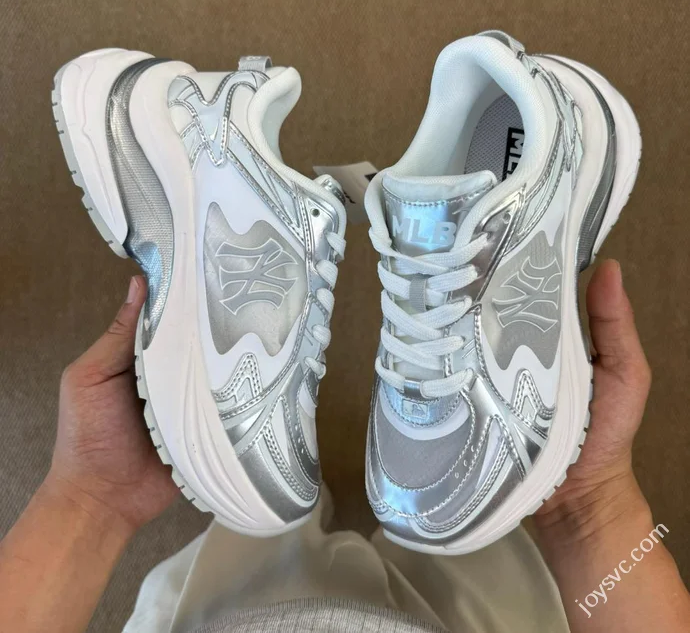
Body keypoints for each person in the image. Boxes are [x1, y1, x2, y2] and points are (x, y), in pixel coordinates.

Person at [0, 260, 688, 632]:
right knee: (455, 517)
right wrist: (592, 512)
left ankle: (288, 468)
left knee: (266, 501)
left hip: (210, 615)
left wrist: (91, 501)